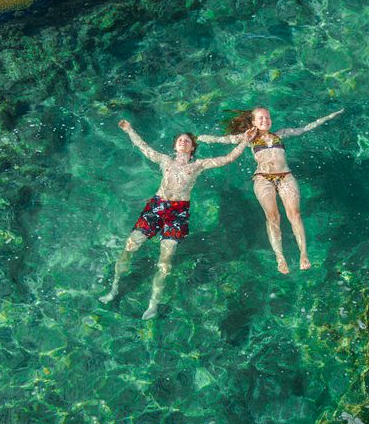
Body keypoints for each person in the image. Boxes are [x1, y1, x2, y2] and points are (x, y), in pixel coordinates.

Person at [100, 119, 256, 319]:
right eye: (180, 140)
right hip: (157, 206)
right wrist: (129, 129)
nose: (183, 142)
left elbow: (228, 158)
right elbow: (143, 146)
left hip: (178, 213)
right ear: (175, 145)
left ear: (192, 148)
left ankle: (153, 304)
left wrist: (245, 141)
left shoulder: (199, 165)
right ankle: (114, 289)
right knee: (130, 246)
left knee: (165, 261)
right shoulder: (165, 160)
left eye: (187, 141)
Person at [198, 107, 344, 274]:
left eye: (267, 117)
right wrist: (201, 138)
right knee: (273, 217)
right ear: (253, 122)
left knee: (294, 214)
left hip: (286, 177)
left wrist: (331, 115)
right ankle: (279, 257)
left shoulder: (280, 134)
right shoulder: (249, 138)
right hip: (263, 178)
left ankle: (303, 254)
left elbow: (305, 128)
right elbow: (223, 140)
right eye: (260, 118)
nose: (264, 120)